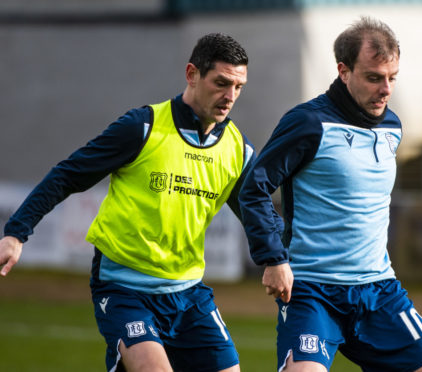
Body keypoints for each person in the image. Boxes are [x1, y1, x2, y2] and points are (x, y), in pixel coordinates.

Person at [0, 33, 260, 372]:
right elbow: (68, 174)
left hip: (189, 292)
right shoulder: (143, 127)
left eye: (239, 87)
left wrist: (282, 258)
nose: (230, 97)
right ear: (192, 74)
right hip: (124, 287)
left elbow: (258, 213)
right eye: (222, 83)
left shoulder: (238, 149)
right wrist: (17, 232)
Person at [239, 17, 422, 372]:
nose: (385, 89)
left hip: (379, 290)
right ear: (343, 70)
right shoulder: (308, 123)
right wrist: (274, 258)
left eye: (392, 78)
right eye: (373, 77)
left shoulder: (392, 127)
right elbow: (255, 186)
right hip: (312, 292)